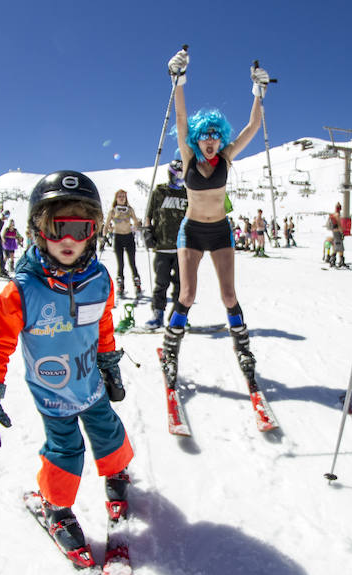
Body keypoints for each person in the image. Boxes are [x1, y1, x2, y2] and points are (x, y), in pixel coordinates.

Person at [0, 170, 132, 566]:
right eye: (58, 226)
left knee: (108, 430)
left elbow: (104, 324)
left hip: (91, 384)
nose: (69, 240)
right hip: (54, 393)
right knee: (66, 450)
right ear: (38, 230)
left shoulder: (98, 279)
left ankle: (116, 473)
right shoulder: (23, 291)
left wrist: (109, 363)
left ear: (94, 231)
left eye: (82, 228)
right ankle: (56, 507)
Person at [160, 47, 269, 387]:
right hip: (191, 231)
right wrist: (179, 81)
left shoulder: (226, 157)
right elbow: (180, 120)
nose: (210, 140)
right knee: (187, 295)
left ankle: (243, 348)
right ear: (197, 137)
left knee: (228, 296)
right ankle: (171, 348)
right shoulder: (190, 157)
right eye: (204, 135)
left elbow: (253, 127)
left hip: (220, 231)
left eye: (214, 135)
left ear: (220, 136)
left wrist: (258, 92)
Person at [142, 158, 187, 329]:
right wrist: (147, 231)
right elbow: (148, 214)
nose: (180, 178)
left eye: (183, 175)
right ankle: (157, 314)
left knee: (181, 285)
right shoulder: (160, 191)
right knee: (161, 283)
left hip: (182, 247)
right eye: (178, 175)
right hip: (162, 246)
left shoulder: (187, 194)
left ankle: (178, 316)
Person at [104, 190, 142, 299]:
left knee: (132, 263)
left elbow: (135, 222)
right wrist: (107, 230)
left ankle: (137, 285)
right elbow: (106, 225)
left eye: (123, 196)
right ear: (116, 198)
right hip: (118, 238)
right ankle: (121, 287)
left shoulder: (129, 210)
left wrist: (136, 225)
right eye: (119, 196)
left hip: (129, 237)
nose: (121, 198)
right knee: (120, 264)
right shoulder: (112, 211)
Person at [329, 203, 346, 267]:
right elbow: (339, 225)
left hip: (334, 232)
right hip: (337, 232)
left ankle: (332, 260)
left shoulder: (333, 214)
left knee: (336, 246)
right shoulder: (337, 215)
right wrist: (342, 233)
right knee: (340, 246)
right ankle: (339, 260)